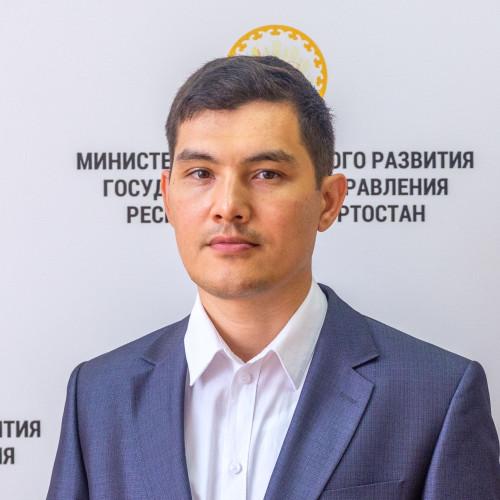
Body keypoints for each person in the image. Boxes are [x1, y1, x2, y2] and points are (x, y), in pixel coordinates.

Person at [47, 56, 500, 500]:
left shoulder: (436, 396)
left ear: (328, 201)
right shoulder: (98, 396)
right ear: (167, 196)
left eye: (266, 174)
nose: (228, 206)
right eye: (201, 173)